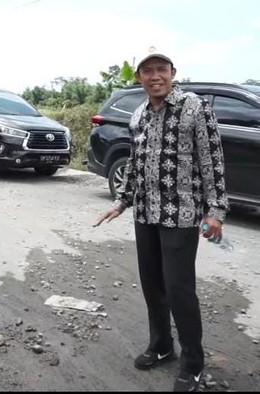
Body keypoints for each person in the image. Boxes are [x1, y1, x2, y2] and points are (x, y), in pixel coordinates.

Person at [94, 53, 228, 392]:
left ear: (172, 74)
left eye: (162, 70)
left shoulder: (193, 108)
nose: (156, 76)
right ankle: (162, 345)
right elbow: (136, 164)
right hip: (146, 213)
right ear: (139, 77)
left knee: (179, 289)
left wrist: (215, 211)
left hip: (181, 215)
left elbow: (212, 160)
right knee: (152, 284)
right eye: (148, 71)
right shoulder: (139, 114)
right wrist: (123, 201)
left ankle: (193, 362)